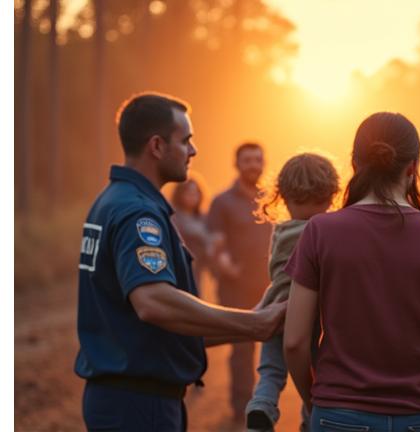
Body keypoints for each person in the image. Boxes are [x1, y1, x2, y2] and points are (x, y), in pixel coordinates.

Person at [75, 92, 286, 432]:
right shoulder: (137, 212)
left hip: (125, 399)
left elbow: (161, 329)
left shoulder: (112, 200)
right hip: (139, 407)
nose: (193, 150)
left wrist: (252, 322)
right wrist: (253, 325)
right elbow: (153, 302)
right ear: (157, 146)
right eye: (186, 140)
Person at [283, 112, 420, 432]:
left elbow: (294, 341)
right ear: (413, 167)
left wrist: (316, 403)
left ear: (355, 164)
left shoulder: (320, 232)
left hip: (338, 413)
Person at [245, 153, 340, 432]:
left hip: (275, 311)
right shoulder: (329, 233)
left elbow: (275, 273)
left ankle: (262, 404)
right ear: (331, 196)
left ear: (283, 197)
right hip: (316, 317)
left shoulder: (280, 232)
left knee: (271, 370)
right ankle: (310, 421)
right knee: (316, 375)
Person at [207, 142, 274, 422]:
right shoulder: (222, 202)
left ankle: (269, 405)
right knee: (242, 349)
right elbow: (215, 242)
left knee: (277, 349)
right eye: (247, 160)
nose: (253, 165)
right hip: (236, 287)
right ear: (237, 164)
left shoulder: (273, 199)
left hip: (271, 285)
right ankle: (242, 410)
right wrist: (225, 264)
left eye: (258, 159)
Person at [170, 175, 216, 284]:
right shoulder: (173, 217)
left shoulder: (203, 218)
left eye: (195, 193)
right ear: (180, 194)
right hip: (177, 267)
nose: (192, 197)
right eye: (189, 193)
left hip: (198, 268)